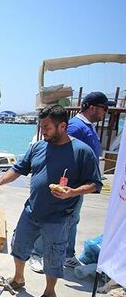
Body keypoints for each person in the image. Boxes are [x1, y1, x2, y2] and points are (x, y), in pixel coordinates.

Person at [0, 105, 102, 297]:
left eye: (46, 127)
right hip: (33, 209)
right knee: (19, 245)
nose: (42, 131)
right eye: (41, 126)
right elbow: (18, 169)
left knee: (53, 255)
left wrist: (72, 192)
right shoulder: (38, 147)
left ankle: (49, 293)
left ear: (62, 126)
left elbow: (95, 184)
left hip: (59, 215)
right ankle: (19, 279)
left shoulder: (82, 151)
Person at [28, 92, 111, 272]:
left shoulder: (86, 126)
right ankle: (37, 253)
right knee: (51, 219)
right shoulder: (75, 127)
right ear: (93, 107)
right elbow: (58, 147)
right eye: (105, 109)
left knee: (71, 220)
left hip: (76, 187)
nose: (106, 113)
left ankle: (67, 254)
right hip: (64, 187)